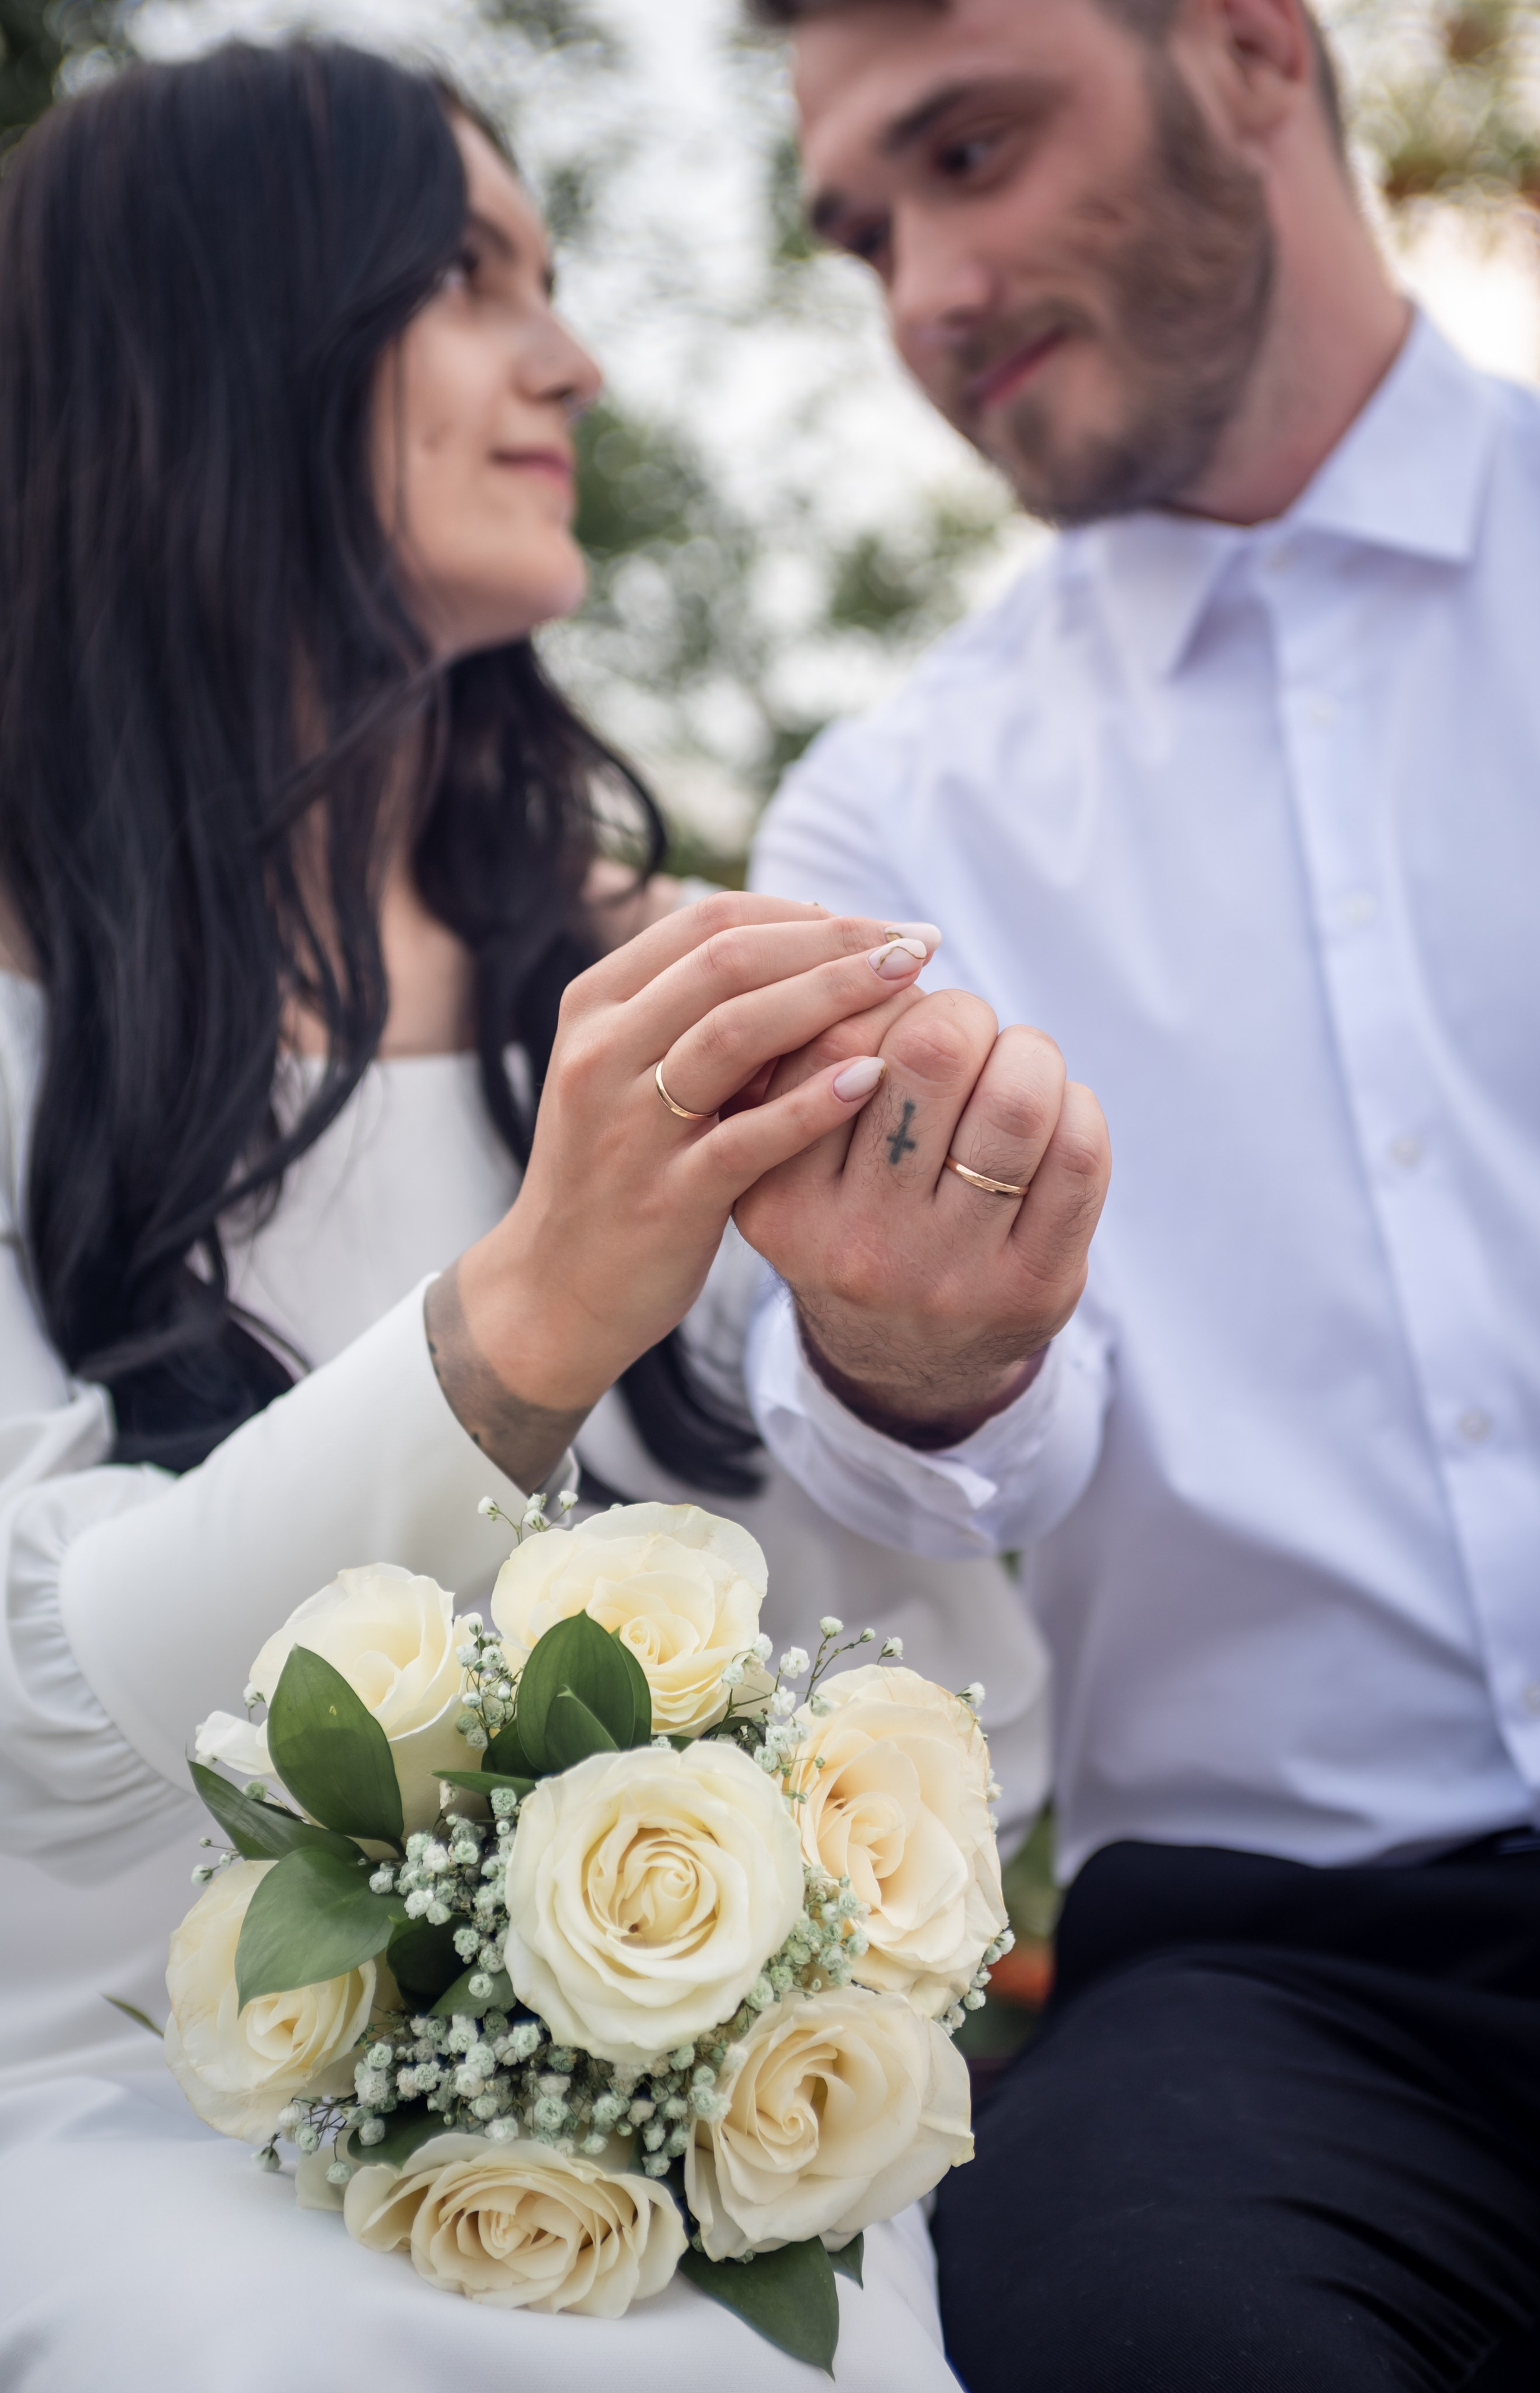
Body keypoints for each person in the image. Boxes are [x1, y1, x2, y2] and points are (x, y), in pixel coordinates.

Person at [0, 41, 1031, 2389]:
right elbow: (35, 1754)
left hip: (689, 2153)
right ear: (208, 339)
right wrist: (525, 1316)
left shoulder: (657, 982)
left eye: (556, 280)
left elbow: (962, 1728)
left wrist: (917, 1363)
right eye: (467, 282)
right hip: (111, 2131)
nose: (568, 357)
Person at [721, 0, 1540, 2386]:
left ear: (1246, 48)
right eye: (866, 228)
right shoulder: (885, 826)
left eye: (974, 149)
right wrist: (916, 1348)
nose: (920, 289)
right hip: (1281, 1988)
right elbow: (932, 1432)